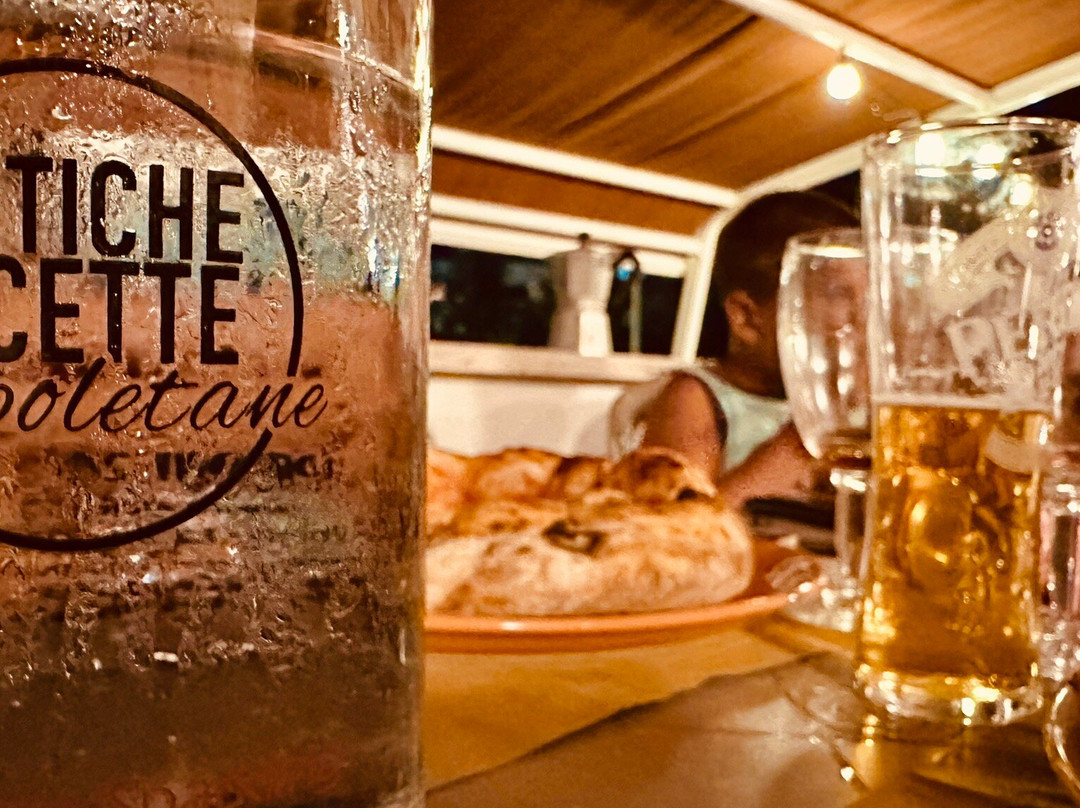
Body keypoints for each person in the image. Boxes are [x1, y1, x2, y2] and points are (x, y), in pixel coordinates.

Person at [610, 190, 859, 508]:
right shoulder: (696, 399)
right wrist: (798, 443)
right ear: (746, 318)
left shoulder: (855, 404)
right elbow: (679, 524)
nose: (864, 317)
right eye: (838, 294)